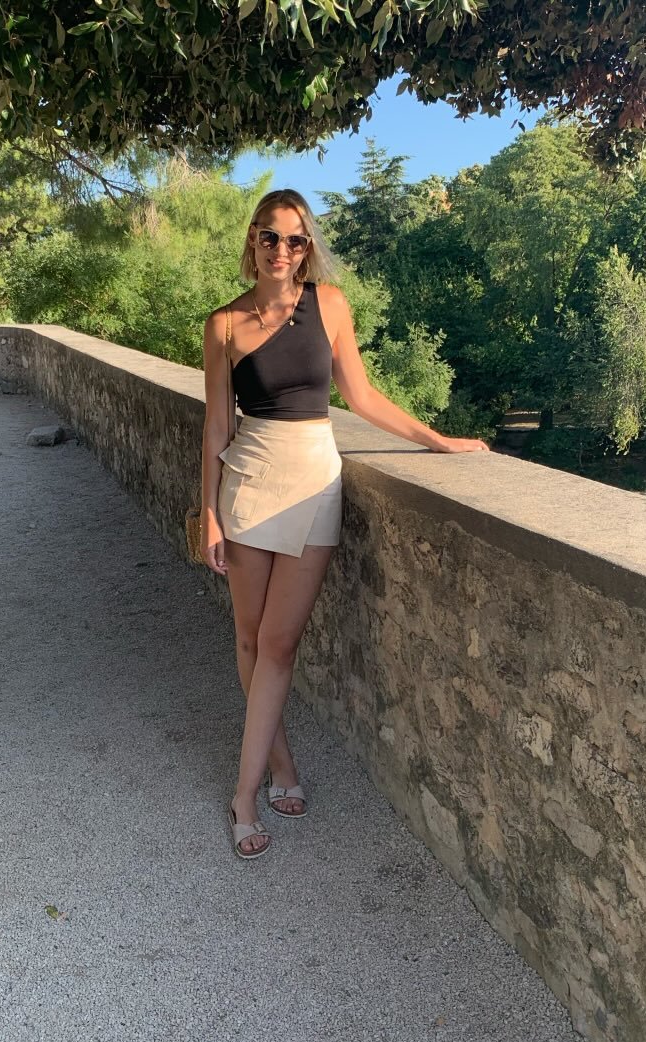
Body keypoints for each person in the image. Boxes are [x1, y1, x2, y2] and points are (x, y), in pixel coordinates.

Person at [200, 189, 489, 860]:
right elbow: (216, 426)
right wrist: (209, 512)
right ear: (252, 241)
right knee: (250, 639)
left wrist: (437, 440)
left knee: (279, 645)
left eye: (295, 240)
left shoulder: (328, 305)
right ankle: (270, 776)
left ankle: (244, 792)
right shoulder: (223, 324)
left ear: (308, 249)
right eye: (270, 236)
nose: (281, 250)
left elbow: (360, 397)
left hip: (313, 484)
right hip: (248, 484)